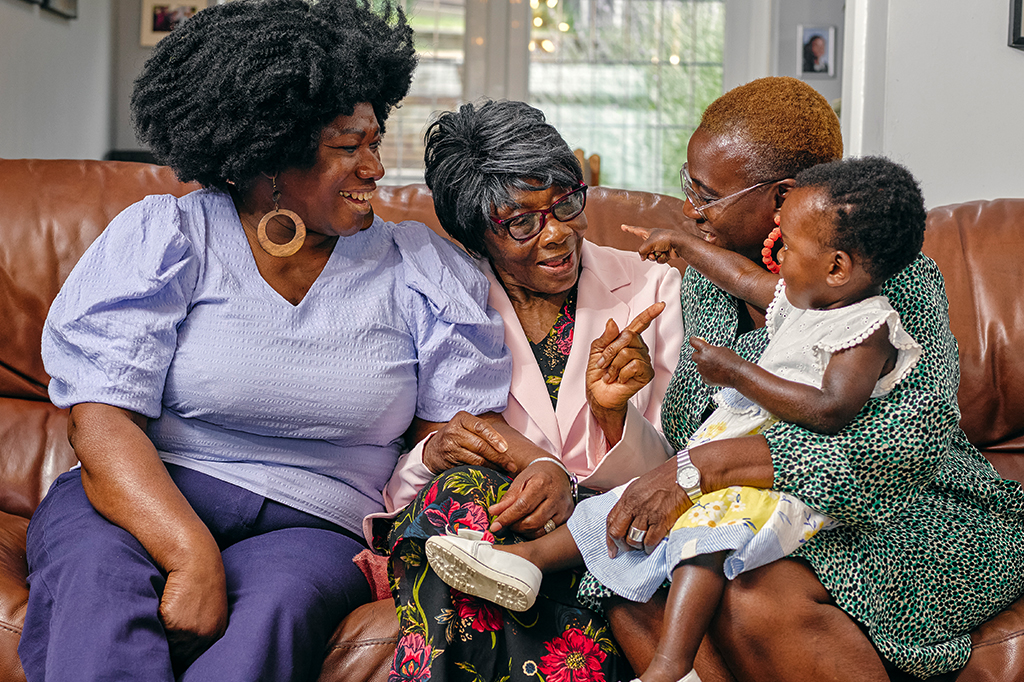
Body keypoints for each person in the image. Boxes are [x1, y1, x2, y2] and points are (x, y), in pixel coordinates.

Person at [18, 2, 513, 681]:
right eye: (348, 146)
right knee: (95, 582)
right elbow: (100, 421)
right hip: (144, 494)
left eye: (376, 140)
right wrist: (189, 552)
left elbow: (443, 448)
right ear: (271, 153)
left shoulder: (419, 268)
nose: (375, 166)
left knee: (273, 614)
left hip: (313, 524)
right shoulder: (170, 237)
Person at [422, 155, 926, 682]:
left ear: (837, 266)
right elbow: (746, 279)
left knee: (699, 538)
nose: (775, 256)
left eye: (789, 247)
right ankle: (528, 560)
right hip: (706, 459)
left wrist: (736, 373)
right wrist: (684, 245)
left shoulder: (867, 325)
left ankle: (671, 665)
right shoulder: (805, 298)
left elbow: (831, 409)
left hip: (774, 473)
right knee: (618, 510)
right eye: (522, 221)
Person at [593, 76, 1024, 681]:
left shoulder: (891, 277)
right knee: (628, 569)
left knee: (751, 592)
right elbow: (698, 426)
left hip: (902, 514)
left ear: (783, 197)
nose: (691, 207)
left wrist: (708, 467)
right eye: (689, 183)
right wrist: (622, 416)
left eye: (708, 192)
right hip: (762, 503)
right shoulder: (705, 277)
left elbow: (899, 443)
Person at [375, 99, 684, 682]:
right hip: (483, 523)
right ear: (476, 233)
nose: (559, 232)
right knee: (460, 504)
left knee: (461, 551)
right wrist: (431, 454)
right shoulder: (443, 304)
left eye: (567, 201)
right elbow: (402, 486)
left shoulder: (651, 288)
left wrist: (613, 417)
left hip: (601, 537)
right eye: (522, 222)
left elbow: (671, 471)